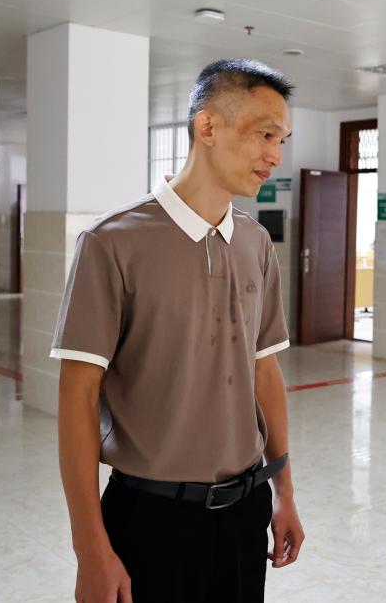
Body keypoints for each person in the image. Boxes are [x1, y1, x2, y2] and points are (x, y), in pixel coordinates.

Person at [54, 58, 304, 603]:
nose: (276, 156)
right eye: (265, 135)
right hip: (151, 520)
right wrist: (91, 549)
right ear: (208, 126)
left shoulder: (255, 242)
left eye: (282, 140)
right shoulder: (111, 242)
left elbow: (265, 372)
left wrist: (284, 493)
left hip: (246, 511)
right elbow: (77, 397)